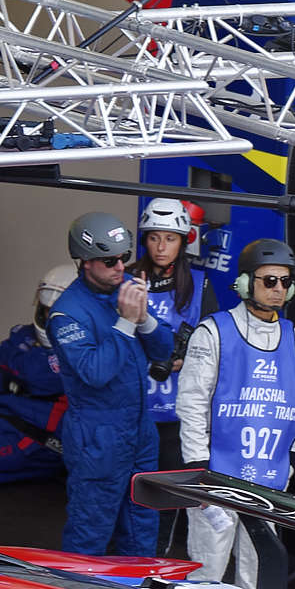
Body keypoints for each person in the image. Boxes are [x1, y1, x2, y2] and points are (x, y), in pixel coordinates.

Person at [177, 239, 295, 589]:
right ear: (247, 283)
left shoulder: (291, 336)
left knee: (259, 577)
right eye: (268, 280)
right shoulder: (213, 330)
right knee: (207, 575)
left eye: (284, 281)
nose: (278, 289)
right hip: (217, 476)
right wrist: (196, 465)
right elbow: (191, 402)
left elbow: (290, 401)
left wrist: (293, 454)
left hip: (268, 478)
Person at [47, 212, 175, 557]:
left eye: (123, 257)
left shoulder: (127, 289)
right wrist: (126, 322)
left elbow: (165, 349)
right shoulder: (67, 313)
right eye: (109, 260)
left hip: (139, 430)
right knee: (90, 532)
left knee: (142, 528)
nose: (120, 266)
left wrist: (145, 318)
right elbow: (94, 373)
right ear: (85, 262)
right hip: (96, 437)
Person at [136, 198, 209, 551]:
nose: (161, 247)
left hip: (175, 415)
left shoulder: (199, 284)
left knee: (167, 503)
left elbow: (213, 346)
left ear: (184, 241)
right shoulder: (128, 278)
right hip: (133, 409)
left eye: (170, 238)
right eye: (154, 237)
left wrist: (187, 359)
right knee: (129, 497)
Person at [0, 266, 73, 487]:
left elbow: (37, 377)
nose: (50, 318)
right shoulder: (25, 333)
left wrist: (10, 371)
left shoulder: (79, 350)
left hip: (31, 441)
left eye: (57, 312)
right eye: (46, 311)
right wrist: (15, 380)